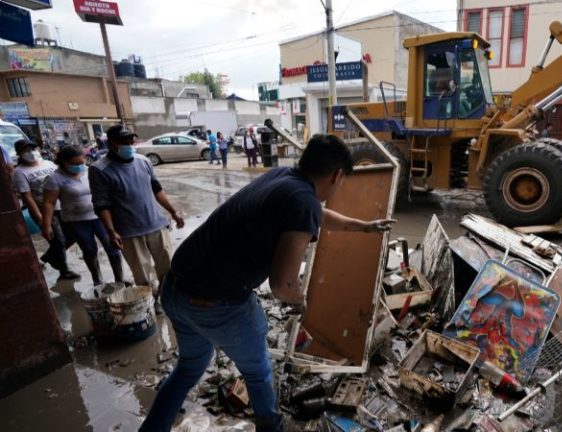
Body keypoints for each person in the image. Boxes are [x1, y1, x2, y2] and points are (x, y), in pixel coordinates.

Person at [138, 134, 396, 431]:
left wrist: (362, 227)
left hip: (176, 288)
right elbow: (282, 286)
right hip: (215, 303)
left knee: (188, 368)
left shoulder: (284, 177)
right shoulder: (303, 201)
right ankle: (271, 427)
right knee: (259, 372)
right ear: (338, 175)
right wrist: (300, 300)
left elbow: (316, 214)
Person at [89, 125, 184, 296]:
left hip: (156, 224)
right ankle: (151, 303)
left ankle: (169, 298)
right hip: (129, 231)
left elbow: (157, 189)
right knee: (142, 274)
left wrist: (173, 211)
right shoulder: (99, 169)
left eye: (131, 141)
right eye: (123, 142)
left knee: (168, 267)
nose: (129, 145)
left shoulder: (144, 161)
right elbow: (101, 205)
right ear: (111, 143)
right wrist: (111, 231)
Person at [41, 145, 124, 286]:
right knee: (89, 250)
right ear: (63, 162)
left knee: (113, 248)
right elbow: (49, 203)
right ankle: (97, 280)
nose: (79, 166)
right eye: (75, 164)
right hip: (76, 221)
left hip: (99, 217)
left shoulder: (89, 171)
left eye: (81, 162)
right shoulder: (55, 178)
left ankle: (120, 279)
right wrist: (47, 225)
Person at [12, 139, 79, 281]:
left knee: (73, 235)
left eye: (32, 148)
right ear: (20, 154)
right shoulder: (20, 172)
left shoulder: (49, 164)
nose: (30, 152)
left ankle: (49, 257)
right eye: (25, 150)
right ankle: (64, 270)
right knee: (58, 240)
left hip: (63, 206)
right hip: (44, 210)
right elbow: (28, 197)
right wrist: (39, 218)